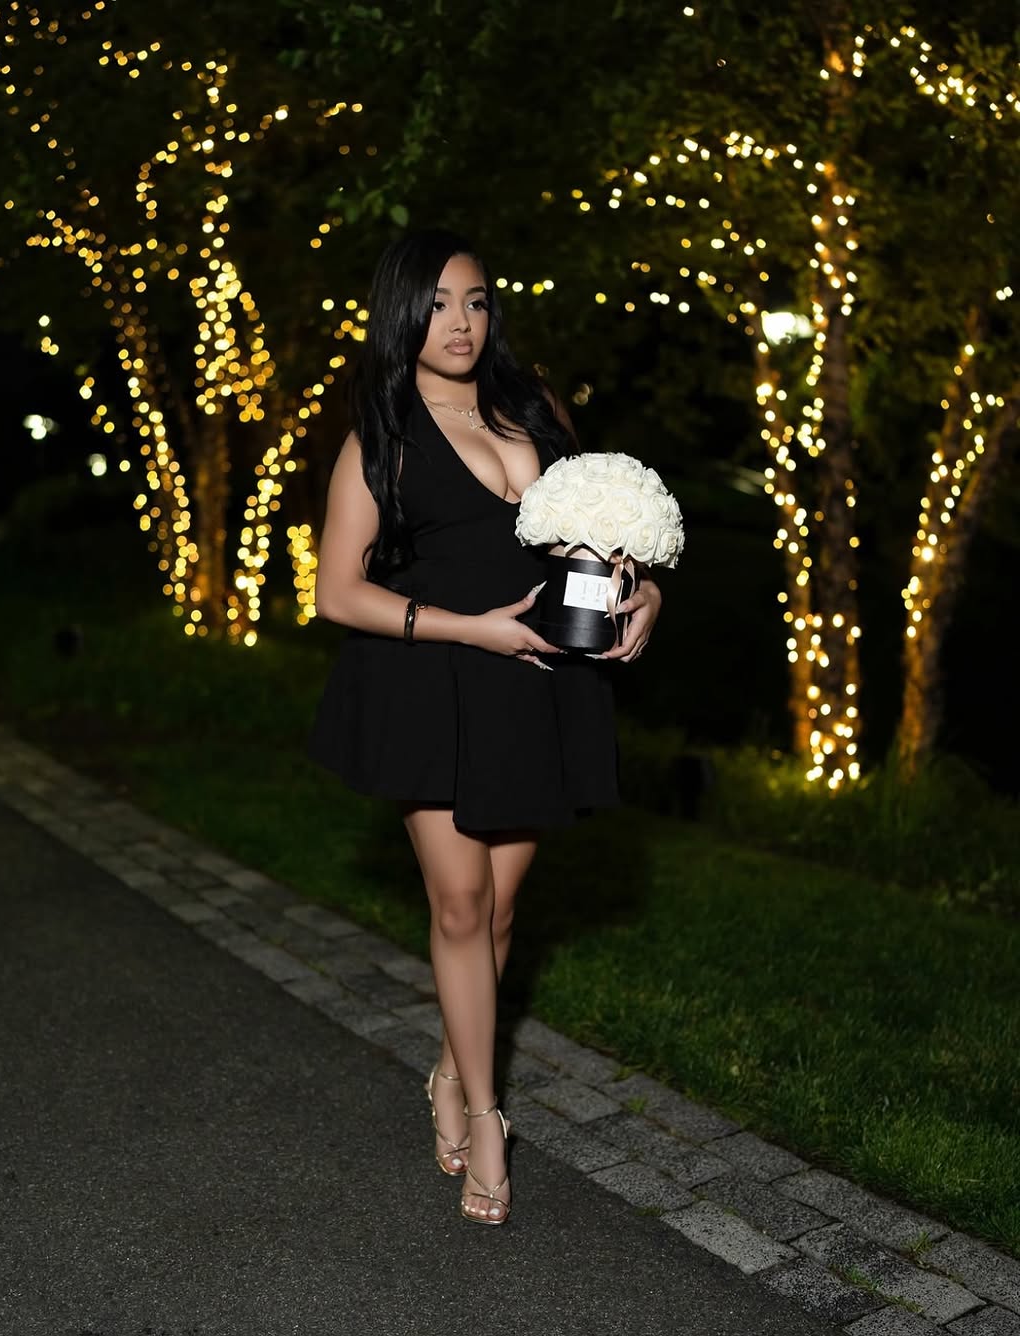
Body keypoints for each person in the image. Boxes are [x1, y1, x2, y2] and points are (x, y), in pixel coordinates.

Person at [310, 229, 662, 1225]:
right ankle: (485, 1112)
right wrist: (472, 629)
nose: (459, 323)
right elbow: (338, 590)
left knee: (502, 913)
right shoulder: (381, 435)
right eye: (436, 305)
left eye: (474, 301)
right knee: (461, 906)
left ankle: (448, 1065)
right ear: (402, 314)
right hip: (434, 683)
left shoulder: (536, 406)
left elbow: (602, 537)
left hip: (538, 683)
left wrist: (645, 592)